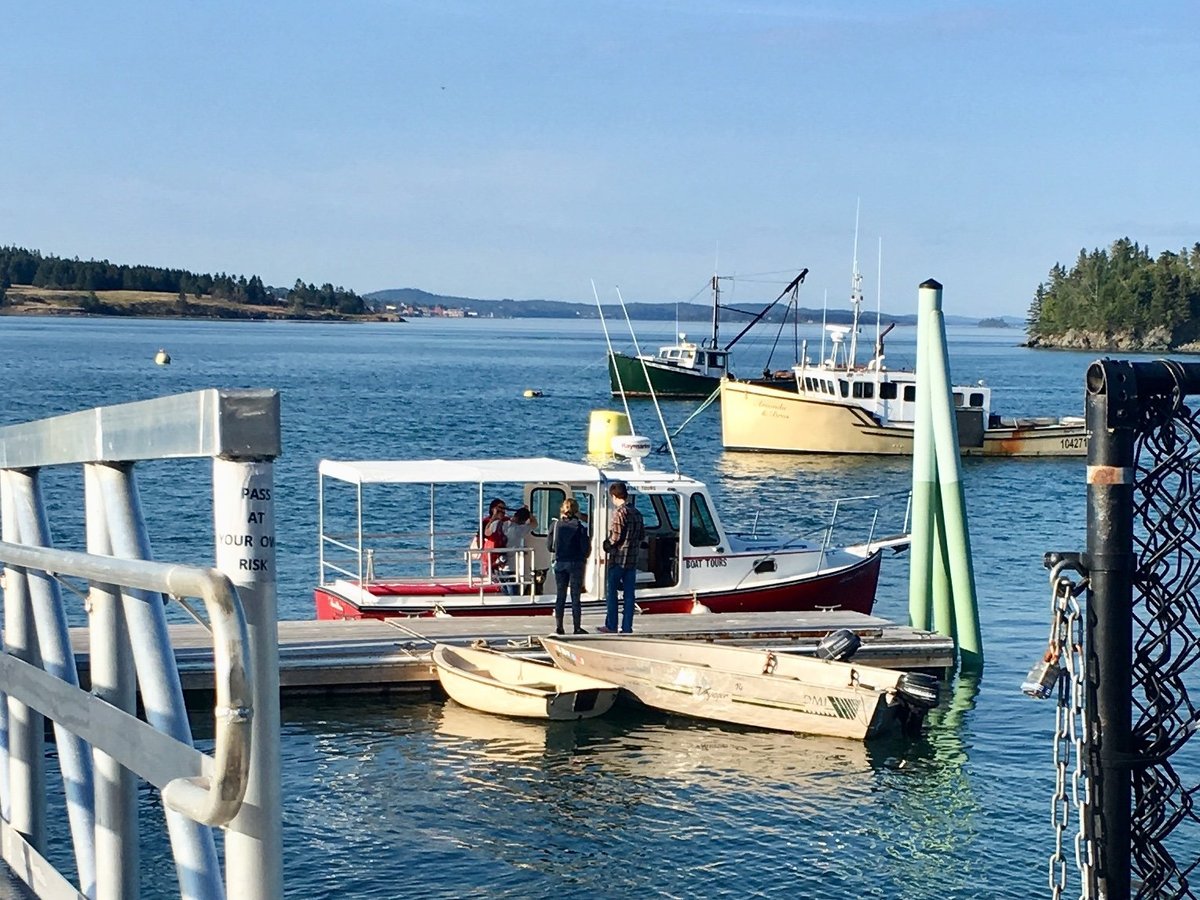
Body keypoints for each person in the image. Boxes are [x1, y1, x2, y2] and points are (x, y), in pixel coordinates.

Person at [601, 481, 644, 633]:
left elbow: (616, 538)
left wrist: (606, 544)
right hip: (632, 560)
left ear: (614, 496)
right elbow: (641, 536)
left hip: (618, 559)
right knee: (629, 596)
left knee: (611, 592)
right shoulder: (637, 513)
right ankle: (627, 627)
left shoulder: (620, 513)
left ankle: (611, 625)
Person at [547, 497, 590, 634]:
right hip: (576, 563)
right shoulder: (580, 528)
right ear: (576, 511)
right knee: (575, 596)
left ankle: (559, 627)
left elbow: (550, 547)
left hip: (560, 563)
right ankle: (577, 627)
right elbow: (586, 550)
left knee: (561, 595)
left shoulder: (555, 525)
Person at [504, 506, 538, 595]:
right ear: (522, 521)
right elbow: (534, 524)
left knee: (504, 592)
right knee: (513, 594)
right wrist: (529, 513)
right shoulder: (518, 530)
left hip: (499, 565)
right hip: (510, 566)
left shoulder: (503, 525)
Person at [480, 498, 508, 580]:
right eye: (500, 509)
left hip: (502, 553)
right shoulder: (486, 521)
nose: (503, 512)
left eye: (504, 509)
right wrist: (494, 517)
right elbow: (483, 535)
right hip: (490, 554)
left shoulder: (506, 520)